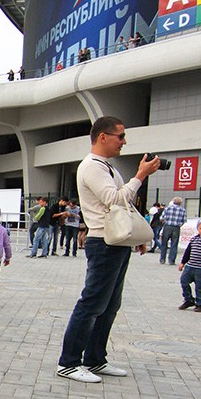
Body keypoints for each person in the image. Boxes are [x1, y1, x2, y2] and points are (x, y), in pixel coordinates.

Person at [56, 116, 161, 382]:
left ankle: (94, 359)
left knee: (110, 304)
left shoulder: (107, 167)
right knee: (92, 302)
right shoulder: (91, 167)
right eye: (120, 136)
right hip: (102, 242)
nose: (124, 142)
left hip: (115, 241)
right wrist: (140, 175)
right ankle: (68, 362)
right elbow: (115, 199)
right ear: (103, 137)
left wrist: (135, 234)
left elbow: (124, 206)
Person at [177, 218, 201, 312]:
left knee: (200, 286)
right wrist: (183, 262)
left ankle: (200, 303)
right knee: (184, 281)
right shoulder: (194, 239)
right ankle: (188, 300)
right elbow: (188, 251)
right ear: (198, 229)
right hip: (190, 266)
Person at [158, 197, 186, 265]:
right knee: (174, 244)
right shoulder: (183, 210)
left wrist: (165, 222)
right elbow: (184, 220)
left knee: (164, 243)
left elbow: (161, 218)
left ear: (173, 201)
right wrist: (179, 224)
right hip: (176, 227)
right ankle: (171, 260)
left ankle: (162, 259)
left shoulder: (167, 208)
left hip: (167, 226)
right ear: (180, 203)